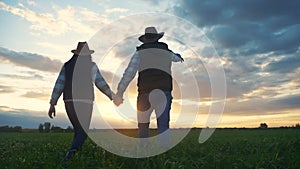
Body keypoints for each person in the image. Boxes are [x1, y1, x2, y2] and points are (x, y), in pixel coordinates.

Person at [114, 27, 184, 148]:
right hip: (163, 92)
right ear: (157, 39)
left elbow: (128, 74)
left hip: (145, 93)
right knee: (163, 124)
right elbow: (177, 58)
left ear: (145, 40)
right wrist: (178, 55)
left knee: (143, 124)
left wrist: (120, 93)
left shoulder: (139, 53)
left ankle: (144, 148)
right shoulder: (167, 51)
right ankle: (164, 151)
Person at [48, 42, 114, 160]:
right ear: (88, 54)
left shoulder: (67, 65)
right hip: (85, 101)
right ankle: (70, 156)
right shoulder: (91, 65)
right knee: (83, 131)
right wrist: (111, 95)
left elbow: (59, 84)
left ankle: (76, 155)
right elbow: (100, 82)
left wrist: (53, 103)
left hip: (69, 101)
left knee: (78, 130)